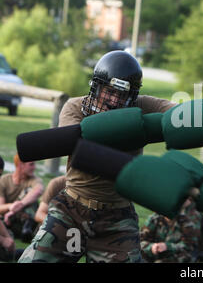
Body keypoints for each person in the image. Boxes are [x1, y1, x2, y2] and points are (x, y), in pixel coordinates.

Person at [19, 50, 176, 263]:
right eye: (109, 91)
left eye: (122, 95)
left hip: (116, 218)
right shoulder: (75, 107)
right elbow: (80, 148)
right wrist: (130, 129)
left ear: (132, 96)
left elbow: (181, 115)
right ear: (97, 86)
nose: (114, 99)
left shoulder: (141, 106)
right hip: (72, 210)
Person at [139, 197, 203, 263]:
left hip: (178, 255)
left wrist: (167, 246)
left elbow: (189, 247)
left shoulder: (189, 220)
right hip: (156, 253)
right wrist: (152, 247)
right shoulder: (155, 218)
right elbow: (140, 241)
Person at [0, 154, 43, 243]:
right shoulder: (4, 180)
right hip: (8, 221)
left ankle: (27, 230)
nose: (34, 167)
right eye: (31, 164)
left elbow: (38, 190)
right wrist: (11, 206)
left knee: (30, 193)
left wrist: (18, 207)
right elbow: (0, 208)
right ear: (20, 164)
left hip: (25, 219)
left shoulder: (34, 180)